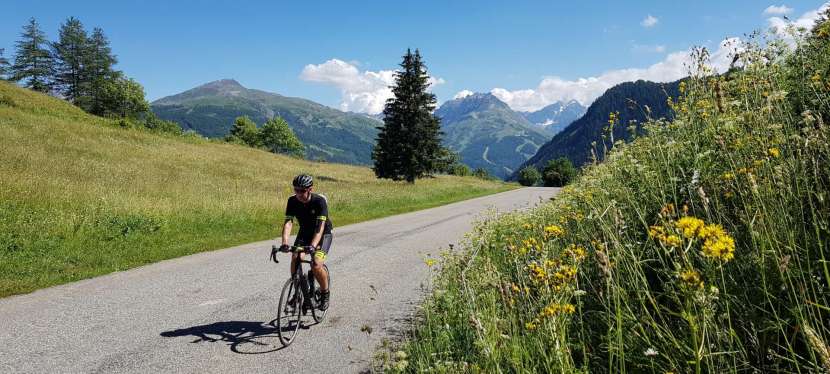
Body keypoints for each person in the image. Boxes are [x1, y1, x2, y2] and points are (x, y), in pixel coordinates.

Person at [279, 174, 332, 311]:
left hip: (323, 234)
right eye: (296, 190)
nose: (298, 193)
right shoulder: (292, 201)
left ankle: (325, 293)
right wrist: (285, 242)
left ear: (310, 189)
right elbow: (289, 222)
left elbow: (320, 227)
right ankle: (298, 291)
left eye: (302, 191)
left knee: (316, 264)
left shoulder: (319, 201)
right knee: (295, 257)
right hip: (305, 233)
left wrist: (313, 246)